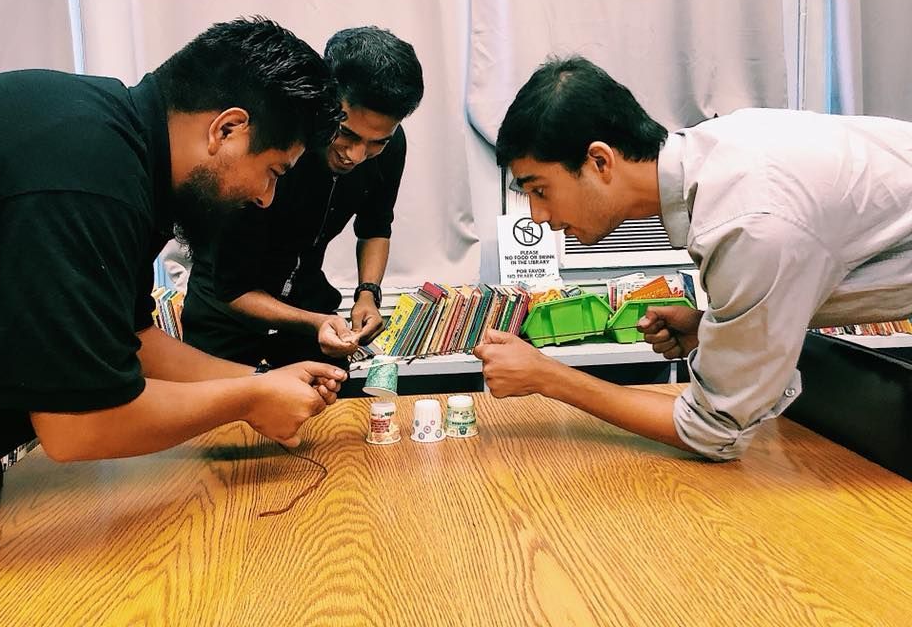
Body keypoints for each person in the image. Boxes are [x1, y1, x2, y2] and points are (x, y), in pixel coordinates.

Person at [0, 17, 348, 516]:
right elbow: (77, 426)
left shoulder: (121, 152)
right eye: (273, 171)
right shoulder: (85, 174)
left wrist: (259, 381)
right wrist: (247, 400)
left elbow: (134, 339)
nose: (266, 198)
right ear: (227, 129)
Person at [475, 56, 912, 461]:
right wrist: (714, 326)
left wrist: (548, 377)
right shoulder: (726, 150)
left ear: (599, 161)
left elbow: (712, 432)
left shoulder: (747, 220)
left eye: (539, 190)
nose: (538, 217)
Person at [181, 27, 424, 392]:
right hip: (226, 309)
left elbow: (376, 226)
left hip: (307, 302)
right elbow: (233, 289)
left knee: (324, 429)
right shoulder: (275, 144)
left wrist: (367, 294)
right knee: (225, 436)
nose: (357, 156)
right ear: (327, 100)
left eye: (377, 142)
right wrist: (315, 322)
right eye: (347, 134)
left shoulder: (389, 149)